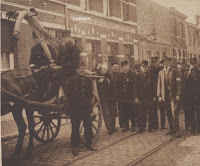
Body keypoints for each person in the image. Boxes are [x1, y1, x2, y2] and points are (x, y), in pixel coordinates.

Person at [66, 61, 94, 156]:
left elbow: (90, 94)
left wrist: (89, 107)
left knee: (88, 126)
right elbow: (68, 94)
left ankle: (88, 144)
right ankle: (75, 147)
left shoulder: (88, 80)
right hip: (75, 108)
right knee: (75, 128)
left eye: (83, 68)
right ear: (76, 69)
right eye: (80, 68)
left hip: (86, 107)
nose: (82, 70)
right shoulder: (71, 80)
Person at [29, 31, 57, 101]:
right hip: (37, 71)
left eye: (37, 38)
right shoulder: (34, 49)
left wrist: (46, 67)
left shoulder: (50, 48)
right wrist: (34, 69)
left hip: (47, 71)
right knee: (29, 81)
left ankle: (46, 97)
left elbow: (54, 61)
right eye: (35, 38)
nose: (36, 40)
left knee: (46, 80)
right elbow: (31, 62)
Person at [157, 55, 178, 135]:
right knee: (168, 113)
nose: (165, 63)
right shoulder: (160, 72)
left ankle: (177, 130)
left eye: (166, 61)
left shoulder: (174, 71)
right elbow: (159, 85)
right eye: (163, 62)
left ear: (169, 62)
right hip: (164, 96)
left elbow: (177, 84)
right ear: (162, 64)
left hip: (172, 95)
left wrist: (177, 94)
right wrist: (159, 95)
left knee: (174, 113)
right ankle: (172, 129)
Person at [117, 60, 139, 132]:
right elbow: (118, 87)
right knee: (124, 112)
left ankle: (133, 125)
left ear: (128, 66)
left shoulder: (133, 74)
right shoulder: (119, 75)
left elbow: (135, 86)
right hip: (123, 97)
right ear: (122, 68)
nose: (125, 68)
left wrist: (135, 97)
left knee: (132, 111)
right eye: (124, 67)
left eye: (126, 67)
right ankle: (126, 126)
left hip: (131, 97)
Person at [97, 64, 117, 135]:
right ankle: (109, 128)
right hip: (104, 97)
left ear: (107, 70)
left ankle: (113, 127)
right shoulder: (98, 75)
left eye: (105, 69)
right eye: (102, 69)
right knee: (106, 112)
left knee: (112, 112)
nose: (103, 71)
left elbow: (110, 81)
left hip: (111, 96)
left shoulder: (110, 75)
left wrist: (104, 80)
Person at [183, 58, 200, 134]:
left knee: (198, 112)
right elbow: (185, 84)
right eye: (191, 64)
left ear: (196, 64)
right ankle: (193, 129)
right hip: (189, 97)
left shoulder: (199, 72)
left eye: (194, 64)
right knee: (191, 113)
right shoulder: (186, 73)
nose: (193, 66)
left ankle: (199, 129)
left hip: (198, 96)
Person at [148, 57, 164, 130]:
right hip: (153, 92)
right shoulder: (150, 70)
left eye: (156, 62)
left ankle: (163, 125)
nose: (155, 64)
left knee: (162, 109)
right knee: (153, 109)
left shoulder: (161, 69)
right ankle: (155, 125)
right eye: (154, 62)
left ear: (158, 62)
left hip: (161, 91)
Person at [137, 60, 151, 133]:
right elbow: (135, 87)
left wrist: (154, 95)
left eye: (145, 66)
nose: (144, 68)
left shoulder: (150, 74)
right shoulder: (138, 75)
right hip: (141, 97)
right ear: (141, 67)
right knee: (141, 112)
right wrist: (136, 97)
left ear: (147, 67)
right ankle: (141, 127)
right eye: (142, 67)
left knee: (150, 111)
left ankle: (151, 127)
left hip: (149, 96)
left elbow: (154, 85)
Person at [174, 59, 185, 133]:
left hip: (183, 92)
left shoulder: (184, 72)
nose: (179, 66)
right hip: (177, 92)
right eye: (178, 64)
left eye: (180, 64)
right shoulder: (175, 72)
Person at [110, 60, 121, 128]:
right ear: (111, 67)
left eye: (116, 67)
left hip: (120, 95)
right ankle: (112, 126)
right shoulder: (109, 75)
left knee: (121, 110)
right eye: (114, 67)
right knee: (113, 111)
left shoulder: (120, 74)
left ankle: (122, 124)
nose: (115, 68)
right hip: (112, 96)